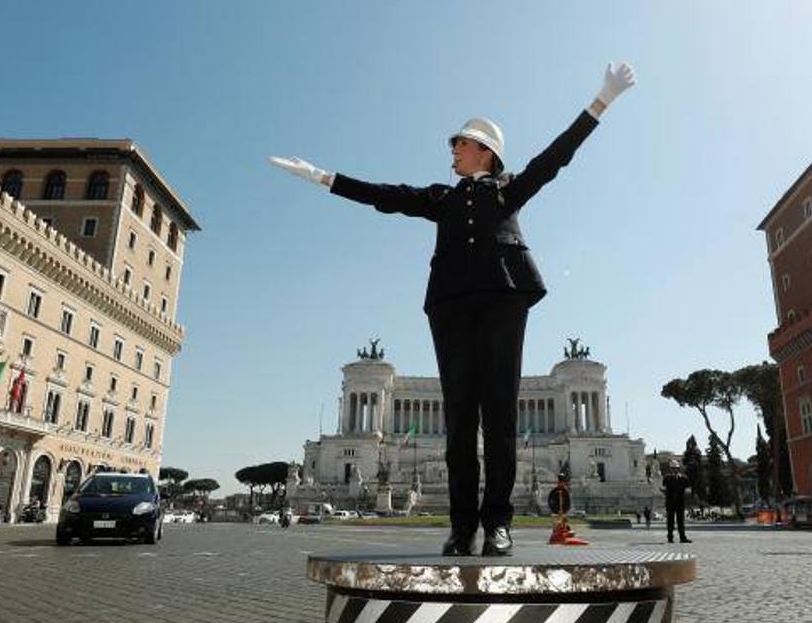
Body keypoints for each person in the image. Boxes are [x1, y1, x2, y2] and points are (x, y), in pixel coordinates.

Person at [271, 63, 636, 556]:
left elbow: (556, 158)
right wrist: (325, 178)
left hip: (505, 299)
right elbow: (388, 197)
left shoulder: (509, 190)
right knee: (461, 419)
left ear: (485, 151)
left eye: (460, 144)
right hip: (451, 306)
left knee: (501, 418)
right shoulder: (442, 198)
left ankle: (498, 523)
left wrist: (601, 102)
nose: (453, 151)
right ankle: (463, 526)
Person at [662, 459, 692, 544]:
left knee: (681, 521)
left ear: (678, 468)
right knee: (670, 521)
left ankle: (682, 537)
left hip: (680, 503)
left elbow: (688, 490)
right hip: (670, 503)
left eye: (676, 468)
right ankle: (670, 537)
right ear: (670, 469)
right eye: (672, 468)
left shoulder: (684, 478)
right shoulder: (667, 478)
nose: (674, 469)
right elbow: (663, 488)